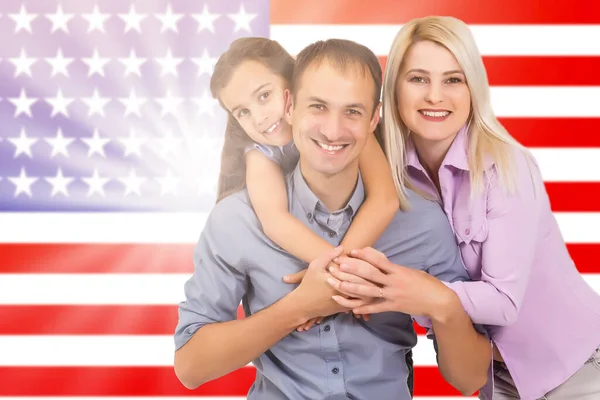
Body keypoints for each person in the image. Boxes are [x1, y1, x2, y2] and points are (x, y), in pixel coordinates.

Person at [173, 38, 492, 399]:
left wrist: (444, 305)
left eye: (353, 112)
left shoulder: (421, 222)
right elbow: (190, 367)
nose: (332, 130)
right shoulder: (238, 217)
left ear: (374, 118)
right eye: (318, 107)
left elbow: (471, 379)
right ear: (292, 105)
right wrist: (300, 307)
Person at [327, 16, 600, 400]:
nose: (435, 96)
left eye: (453, 79)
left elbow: (503, 304)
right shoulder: (385, 173)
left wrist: (418, 293)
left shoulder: (507, 167)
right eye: (418, 79)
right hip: (497, 376)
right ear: (394, 89)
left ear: (473, 87)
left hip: (578, 367)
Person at [211, 37, 399, 332]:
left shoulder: (345, 129)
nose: (259, 118)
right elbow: (276, 221)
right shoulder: (260, 155)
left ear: (293, 86)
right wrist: (339, 280)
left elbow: (385, 199)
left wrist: (338, 277)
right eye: (242, 112)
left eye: (263, 96)